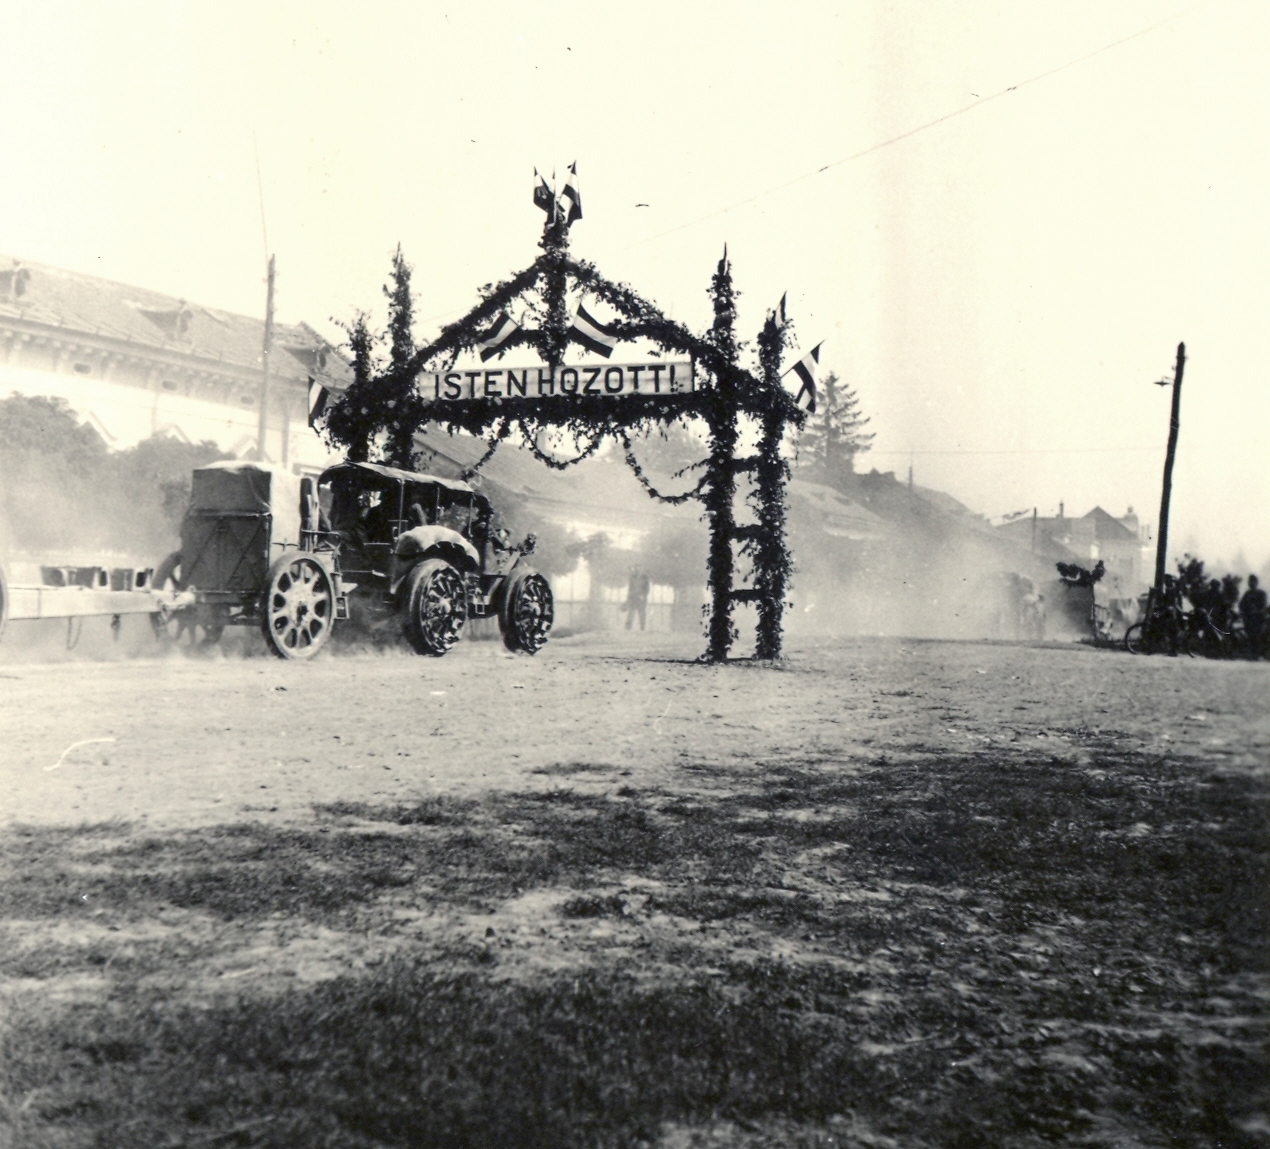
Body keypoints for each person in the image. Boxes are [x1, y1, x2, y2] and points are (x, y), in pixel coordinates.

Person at [1240, 574, 1267, 654]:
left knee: (1258, 634)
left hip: (1258, 618)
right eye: (1250, 582)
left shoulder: (1261, 593)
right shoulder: (1247, 593)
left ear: (1256, 583)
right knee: (1249, 634)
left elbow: (1263, 605)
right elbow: (1241, 605)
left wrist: (1256, 611)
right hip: (1248, 617)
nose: (1251, 584)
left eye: (1253, 582)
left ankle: (1258, 651)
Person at [625, 567, 651, 631]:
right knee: (631, 613)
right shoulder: (632, 577)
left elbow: (647, 589)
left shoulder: (645, 578)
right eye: (636, 568)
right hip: (633, 598)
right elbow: (630, 589)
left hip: (641, 598)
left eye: (639, 568)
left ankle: (642, 627)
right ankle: (628, 628)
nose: (638, 570)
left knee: (641, 614)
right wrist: (629, 597)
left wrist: (643, 595)